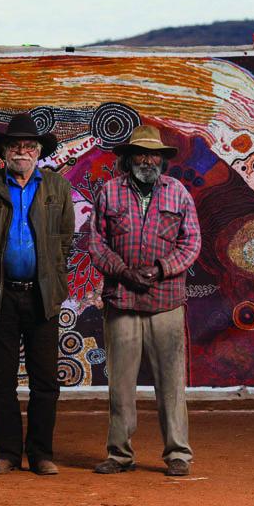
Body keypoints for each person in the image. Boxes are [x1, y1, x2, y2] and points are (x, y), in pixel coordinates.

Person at [0, 113, 75, 475]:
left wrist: (48, 275)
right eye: (15, 146)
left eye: (28, 146)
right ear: (5, 151)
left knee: (45, 380)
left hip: (42, 294)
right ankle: (8, 453)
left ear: (38, 151)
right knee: (1, 379)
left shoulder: (57, 188)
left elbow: (65, 240)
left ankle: (41, 454)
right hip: (1, 295)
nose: (21, 151)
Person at [87, 124, 201, 477]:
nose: (147, 160)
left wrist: (161, 268)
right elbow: (96, 243)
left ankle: (178, 454)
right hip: (122, 300)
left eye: (154, 154)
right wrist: (123, 271)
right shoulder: (109, 193)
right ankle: (120, 454)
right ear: (128, 158)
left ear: (162, 160)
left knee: (170, 383)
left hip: (166, 301)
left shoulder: (178, 194)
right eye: (140, 153)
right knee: (120, 384)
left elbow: (192, 243)